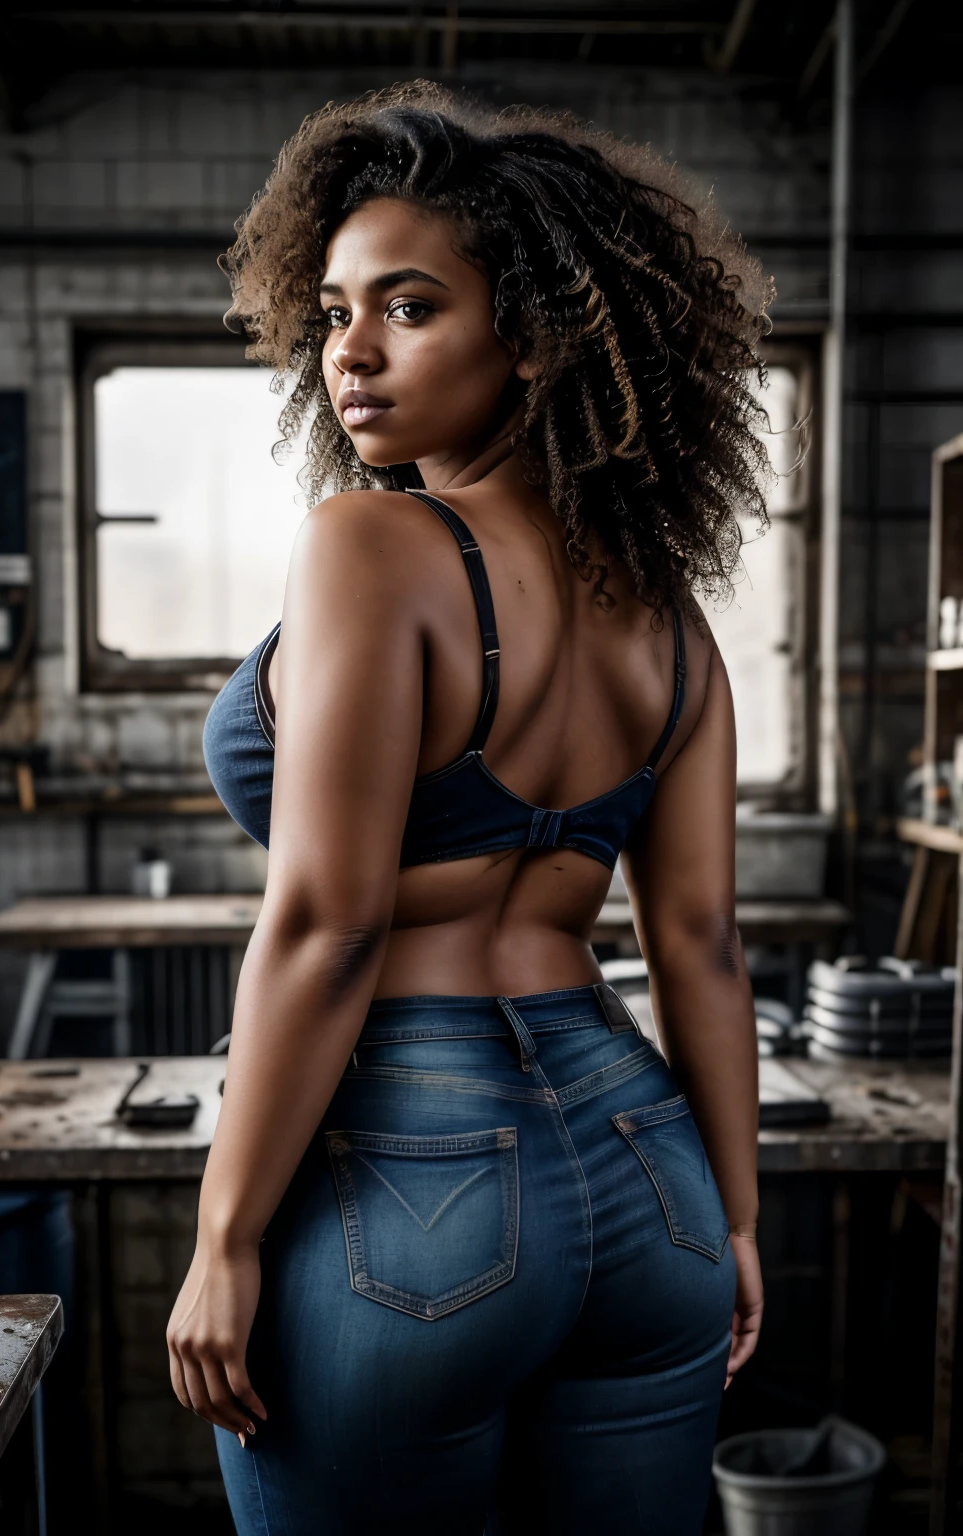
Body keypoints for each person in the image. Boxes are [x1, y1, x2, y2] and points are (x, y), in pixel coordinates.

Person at [167, 81, 771, 1535]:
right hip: (648, 1174)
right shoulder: (672, 622)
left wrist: (226, 1237)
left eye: (411, 307)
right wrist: (739, 1223)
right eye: (328, 314)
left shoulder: (374, 544)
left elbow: (326, 924)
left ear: (537, 335)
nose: (350, 355)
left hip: (408, 1174)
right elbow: (699, 946)